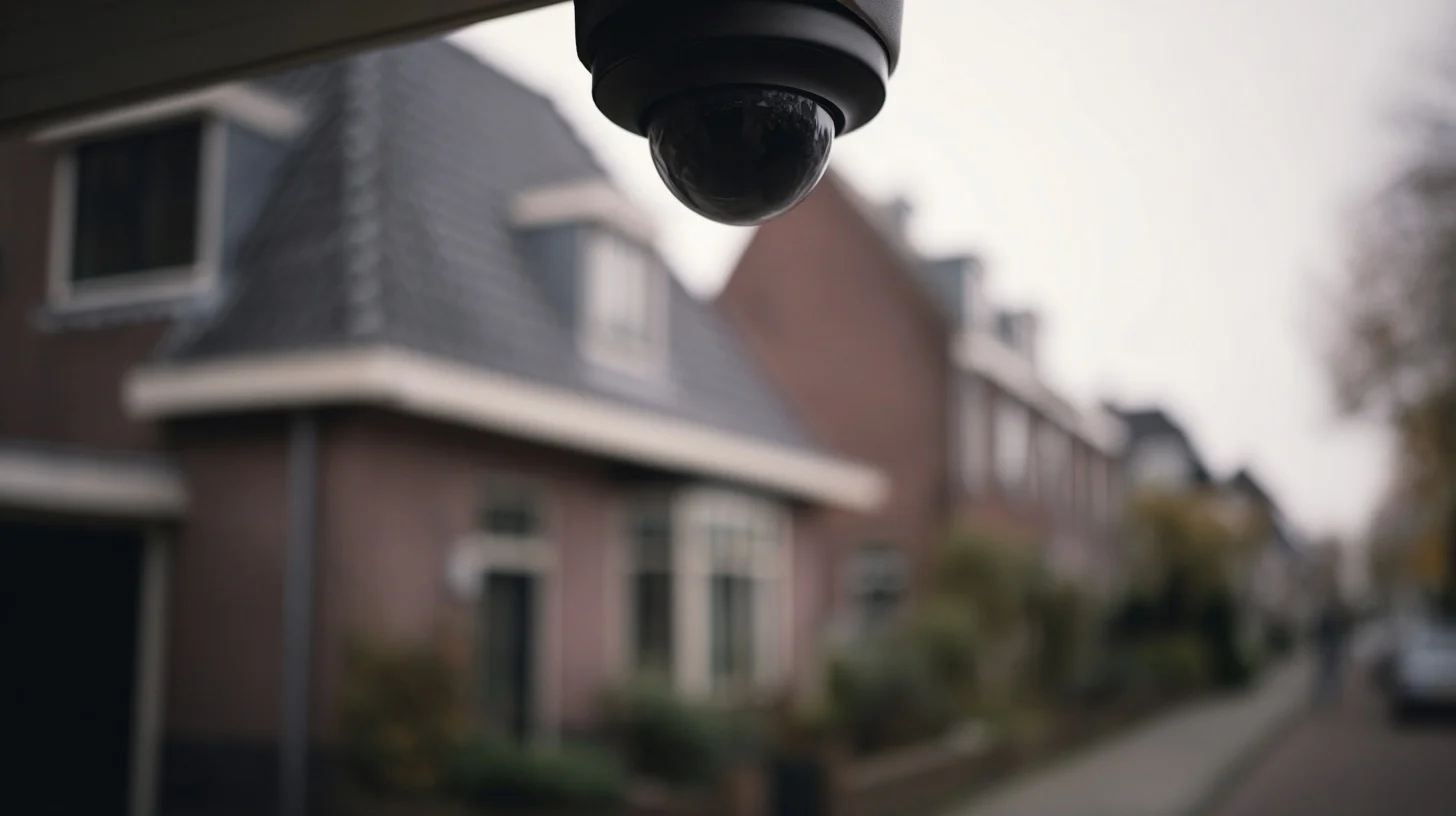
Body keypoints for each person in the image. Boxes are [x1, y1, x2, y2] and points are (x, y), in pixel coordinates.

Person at [1312, 593, 1350, 708]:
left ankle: (1328, 696)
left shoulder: (1329, 616)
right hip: (1331, 646)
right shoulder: (1332, 617)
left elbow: (1321, 632)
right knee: (1329, 672)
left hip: (1331, 646)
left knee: (1328, 672)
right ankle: (1329, 696)